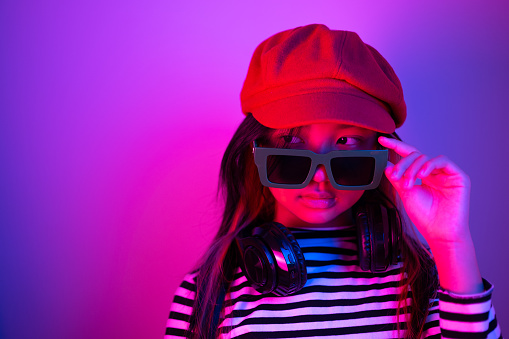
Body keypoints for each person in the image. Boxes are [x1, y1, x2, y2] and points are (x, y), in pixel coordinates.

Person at [165, 24, 502, 338]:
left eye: (346, 144)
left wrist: (450, 244)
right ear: (256, 150)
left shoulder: (424, 280)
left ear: (382, 153)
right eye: (293, 143)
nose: (320, 175)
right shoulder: (205, 293)